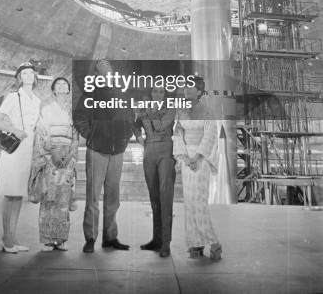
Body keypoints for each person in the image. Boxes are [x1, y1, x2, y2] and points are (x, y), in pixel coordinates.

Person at [73, 59, 136, 253]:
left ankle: (110, 237)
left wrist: (125, 137)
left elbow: (130, 118)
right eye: (102, 71)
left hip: (117, 151)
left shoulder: (123, 95)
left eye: (108, 70)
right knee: (93, 196)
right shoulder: (90, 94)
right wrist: (91, 135)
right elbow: (79, 118)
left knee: (113, 197)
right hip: (97, 150)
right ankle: (90, 238)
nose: (106, 74)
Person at [173, 78, 222, 261]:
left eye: (190, 87)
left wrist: (197, 157)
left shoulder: (208, 111)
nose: (186, 89)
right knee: (189, 203)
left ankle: (214, 242)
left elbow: (210, 136)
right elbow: (177, 134)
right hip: (187, 159)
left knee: (199, 202)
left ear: (199, 91)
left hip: (200, 161)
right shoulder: (181, 112)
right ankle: (196, 244)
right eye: (185, 87)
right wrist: (185, 157)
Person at [0, 62, 41, 253]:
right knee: (10, 194)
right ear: (19, 78)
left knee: (18, 196)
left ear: (35, 77)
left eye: (31, 72)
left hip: (28, 151)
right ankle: (7, 239)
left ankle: (12, 238)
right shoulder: (14, 97)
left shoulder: (37, 100)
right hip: (14, 150)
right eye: (24, 73)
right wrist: (15, 130)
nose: (28, 75)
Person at [29, 77, 78, 251]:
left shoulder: (73, 111)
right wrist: (51, 154)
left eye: (65, 84)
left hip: (66, 159)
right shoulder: (47, 109)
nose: (62, 86)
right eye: (58, 84)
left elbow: (75, 135)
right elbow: (42, 132)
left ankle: (61, 239)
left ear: (68, 90)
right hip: (50, 157)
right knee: (49, 198)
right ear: (54, 90)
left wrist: (70, 156)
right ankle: (48, 239)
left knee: (63, 199)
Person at [135, 85, 176, 258]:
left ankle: (165, 244)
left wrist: (148, 110)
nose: (157, 94)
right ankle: (156, 240)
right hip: (149, 151)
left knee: (165, 196)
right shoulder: (145, 108)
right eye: (154, 91)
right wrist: (139, 137)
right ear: (151, 93)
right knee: (154, 198)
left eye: (161, 92)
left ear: (165, 94)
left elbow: (159, 126)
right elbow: (134, 123)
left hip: (166, 150)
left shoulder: (171, 108)